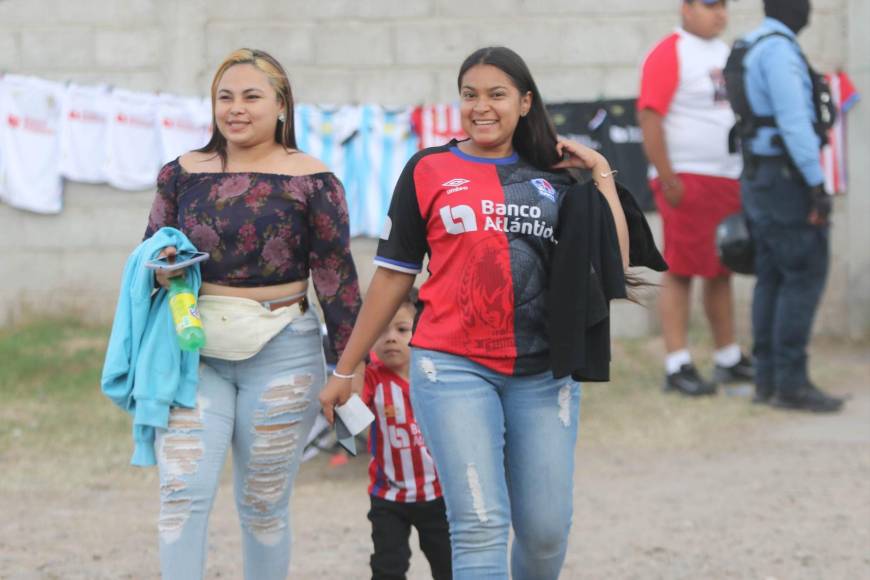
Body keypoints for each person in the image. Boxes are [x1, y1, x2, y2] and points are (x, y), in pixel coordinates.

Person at [320, 46, 631, 579]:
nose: (481, 107)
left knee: (546, 530)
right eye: (470, 95)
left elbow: (614, 265)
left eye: (496, 94)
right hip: (451, 367)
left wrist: (600, 172)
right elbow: (394, 273)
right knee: (480, 525)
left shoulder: (556, 177)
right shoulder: (429, 168)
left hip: (542, 372)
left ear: (525, 102)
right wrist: (347, 368)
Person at [143, 48, 362, 578]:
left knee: (263, 506)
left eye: (251, 97)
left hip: (284, 351)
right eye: (225, 97)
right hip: (192, 351)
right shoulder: (180, 173)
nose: (235, 109)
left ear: (281, 105)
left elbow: (335, 277)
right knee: (180, 496)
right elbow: (148, 252)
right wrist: (159, 269)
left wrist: (347, 369)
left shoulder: (314, 179)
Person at [638, 0, 754, 397]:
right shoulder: (670, 50)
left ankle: (727, 356)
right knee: (683, 268)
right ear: (686, 8)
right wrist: (668, 178)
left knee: (722, 267)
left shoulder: (725, 53)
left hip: (726, 177)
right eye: (709, 4)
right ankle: (677, 363)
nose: (719, 13)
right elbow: (650, 115)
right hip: (686, 177)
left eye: (723, 5)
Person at [737, 0, 844, 412]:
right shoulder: (779, 50)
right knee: (803, 271)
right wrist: (816, 183)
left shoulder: (749, 43)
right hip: (785, 180)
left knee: (772, 276)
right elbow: (794, 122)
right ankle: (791, 383)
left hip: (759, 177)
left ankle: (767, 381)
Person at [359, 288, 452, 580]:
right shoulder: (372, 378)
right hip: (389, 496)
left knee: (449, 566)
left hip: (438, 494)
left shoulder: (437, 373)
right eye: (382, 330)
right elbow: (350, 410)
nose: (390, 338)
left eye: (401, 329)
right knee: (387, 568)